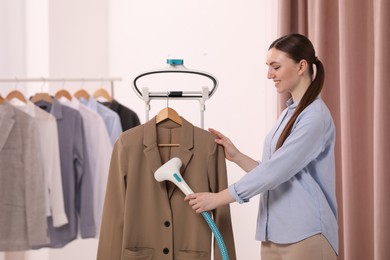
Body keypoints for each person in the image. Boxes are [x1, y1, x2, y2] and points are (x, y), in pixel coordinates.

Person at [184, 33, 338, 260]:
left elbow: (274, 172)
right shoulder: (289, 113)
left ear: (301, 66)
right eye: (268, 67)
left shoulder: (314, 116)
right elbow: (275, 171)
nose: (269, 75)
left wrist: (219, 198)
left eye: (275, 67)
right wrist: (237, 156)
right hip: (274, 235)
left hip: (306, 235)